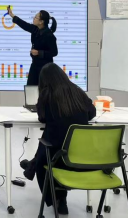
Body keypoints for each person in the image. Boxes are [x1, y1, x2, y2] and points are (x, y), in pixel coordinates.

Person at [34, 63, 97, 215]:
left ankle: (57, 197)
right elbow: (91, 113)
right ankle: (60, 198)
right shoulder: (77, 91)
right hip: (82, 157)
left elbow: (42, 118)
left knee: (44, 155)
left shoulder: (47, 94)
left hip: (56, 157)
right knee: (52, 146)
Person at [7, 6, 58, 86]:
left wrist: (39, 52)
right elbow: (24, 25)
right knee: (30, 88)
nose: (34, 18)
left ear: (41, 21)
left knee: (43, 89)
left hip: (45, 67)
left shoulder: (49, 35)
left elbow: (54, 52)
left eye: (36, 17)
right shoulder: (35, 29)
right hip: (35, 64)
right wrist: (12, 15)